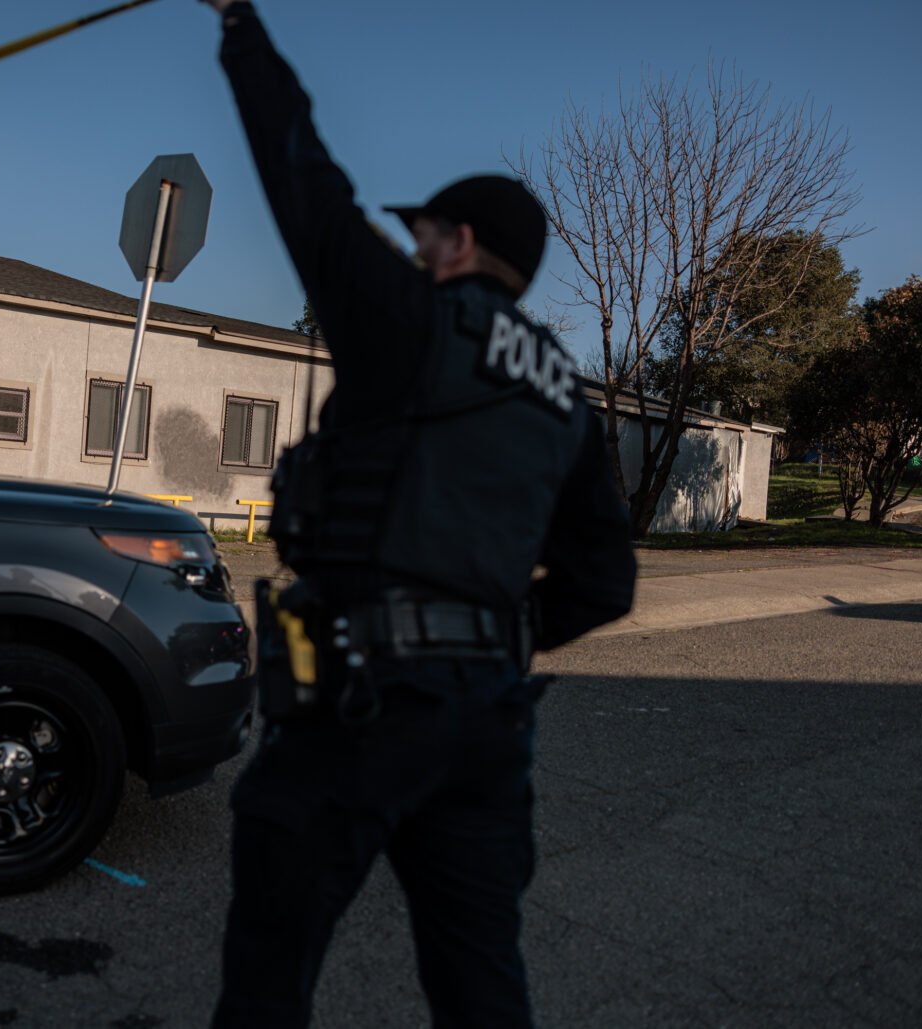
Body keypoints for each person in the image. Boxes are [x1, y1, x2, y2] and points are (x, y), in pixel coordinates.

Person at [196, 3, 638, 1027]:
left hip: (364, 706)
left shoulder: (412, 319)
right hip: (488, 725)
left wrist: (238, 24)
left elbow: (304, 177)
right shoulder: (570, 399)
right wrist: (492, 636)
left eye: (422, 232)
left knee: (270, 973)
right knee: (481, 978)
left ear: (460, 243)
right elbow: (604, 583)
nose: (410, 245)